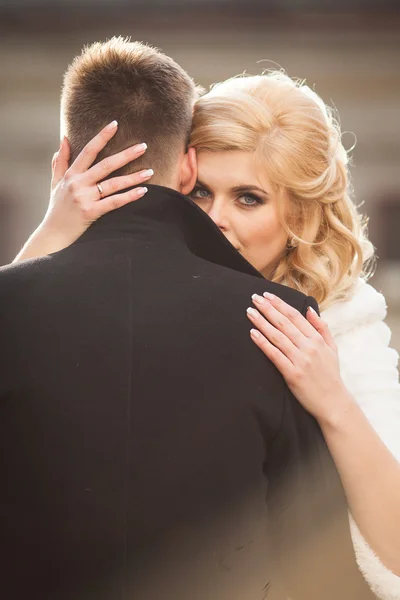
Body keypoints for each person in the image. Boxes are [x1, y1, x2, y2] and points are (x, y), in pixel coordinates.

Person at [0, 38, 373, 600]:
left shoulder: (16, 305)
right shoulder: (283, 323)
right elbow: (311, 555)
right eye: (204, 191)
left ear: (63, 158)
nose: (220, 217)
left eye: (248, 198)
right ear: (188, 166)